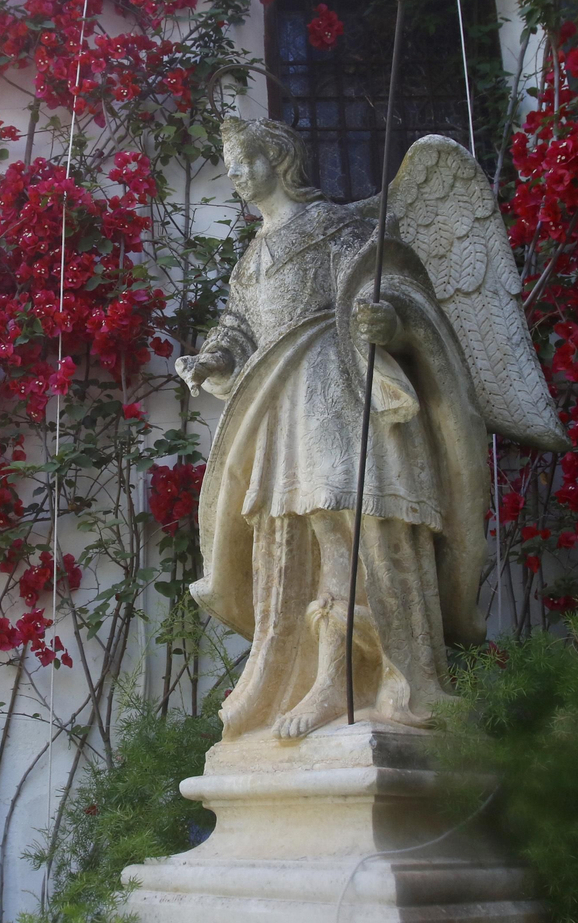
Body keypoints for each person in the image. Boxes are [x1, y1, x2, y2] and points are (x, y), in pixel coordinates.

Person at [177, 118, 492, 739]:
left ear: (281, 159)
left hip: (343, 390)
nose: (235, 173)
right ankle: (326, 679)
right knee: (310, 533)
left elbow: (386, 286)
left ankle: (390, 680)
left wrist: (389, 323)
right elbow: (240, 327)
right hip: (283, 403)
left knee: (360, 520)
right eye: (229, 162)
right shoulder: (251, 260)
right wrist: (210, 358)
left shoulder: (334, 228)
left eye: (244, 159)